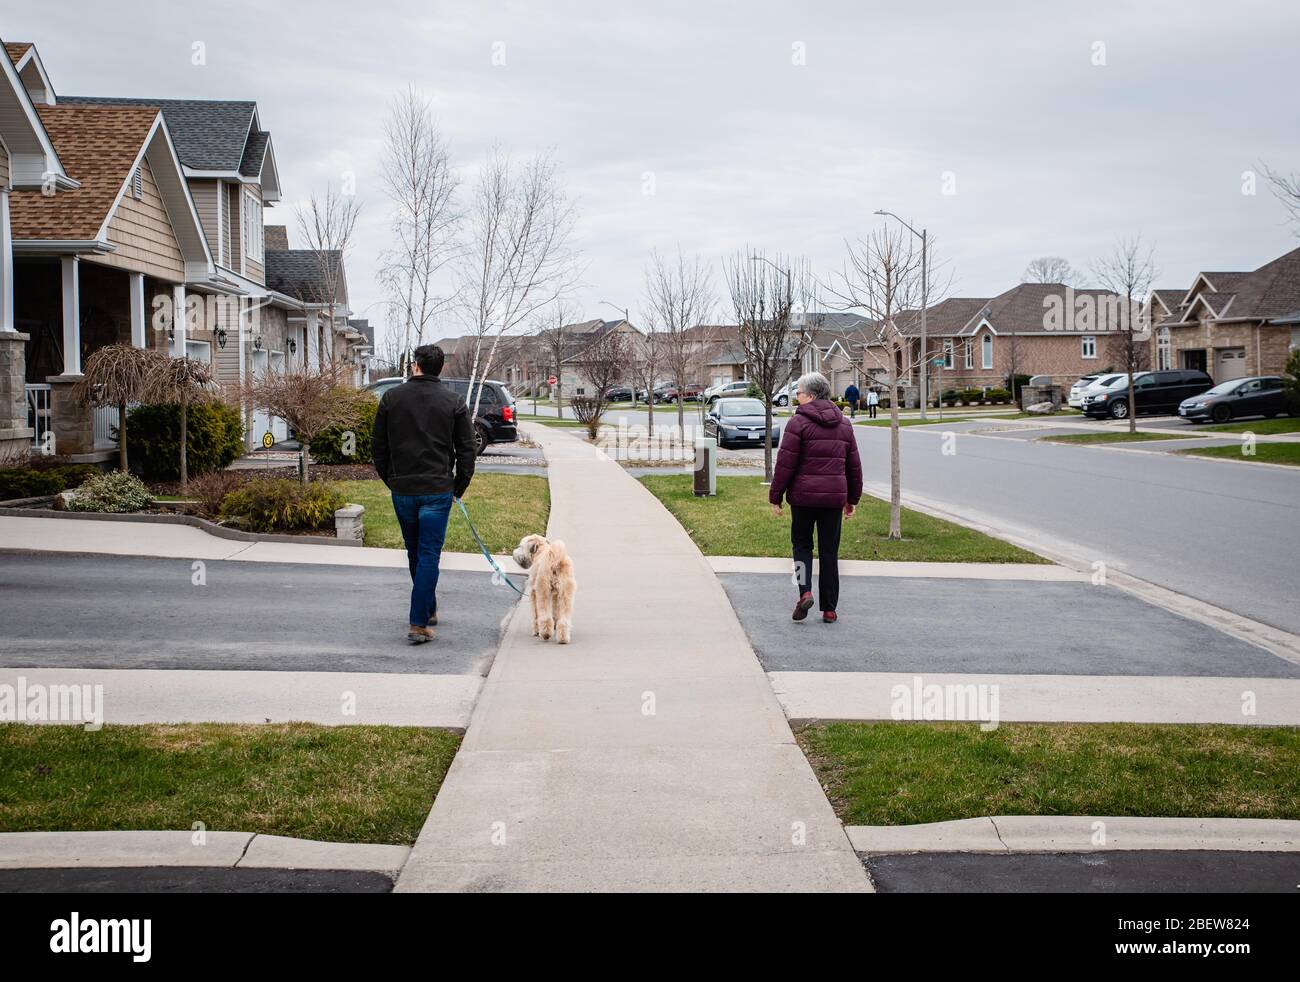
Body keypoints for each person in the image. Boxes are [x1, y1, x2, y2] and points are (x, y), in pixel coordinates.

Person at [372, 344, 477, 644]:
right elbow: (467, 450)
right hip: (436, 489)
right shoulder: (454, 401)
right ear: (439, 368)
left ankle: (427, 610)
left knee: (415, 551)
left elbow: (378, 446)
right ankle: (419, 621)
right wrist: (459, 486)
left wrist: (390, 479)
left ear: (415, 366)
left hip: (403, 489)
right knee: (428, 553)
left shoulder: (392, 398)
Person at [768, 371, 863, 623]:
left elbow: (785, 465)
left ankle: (804, 592)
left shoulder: (798, 424)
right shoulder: (844, 423)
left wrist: (775, 496)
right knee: (829, 552)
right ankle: (829, 608)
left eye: (798, 392)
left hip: (802, 499)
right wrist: (852, 499)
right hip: (833, 500)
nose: (796, 397)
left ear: (810, 395)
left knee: (801, 547)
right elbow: (853, 465)